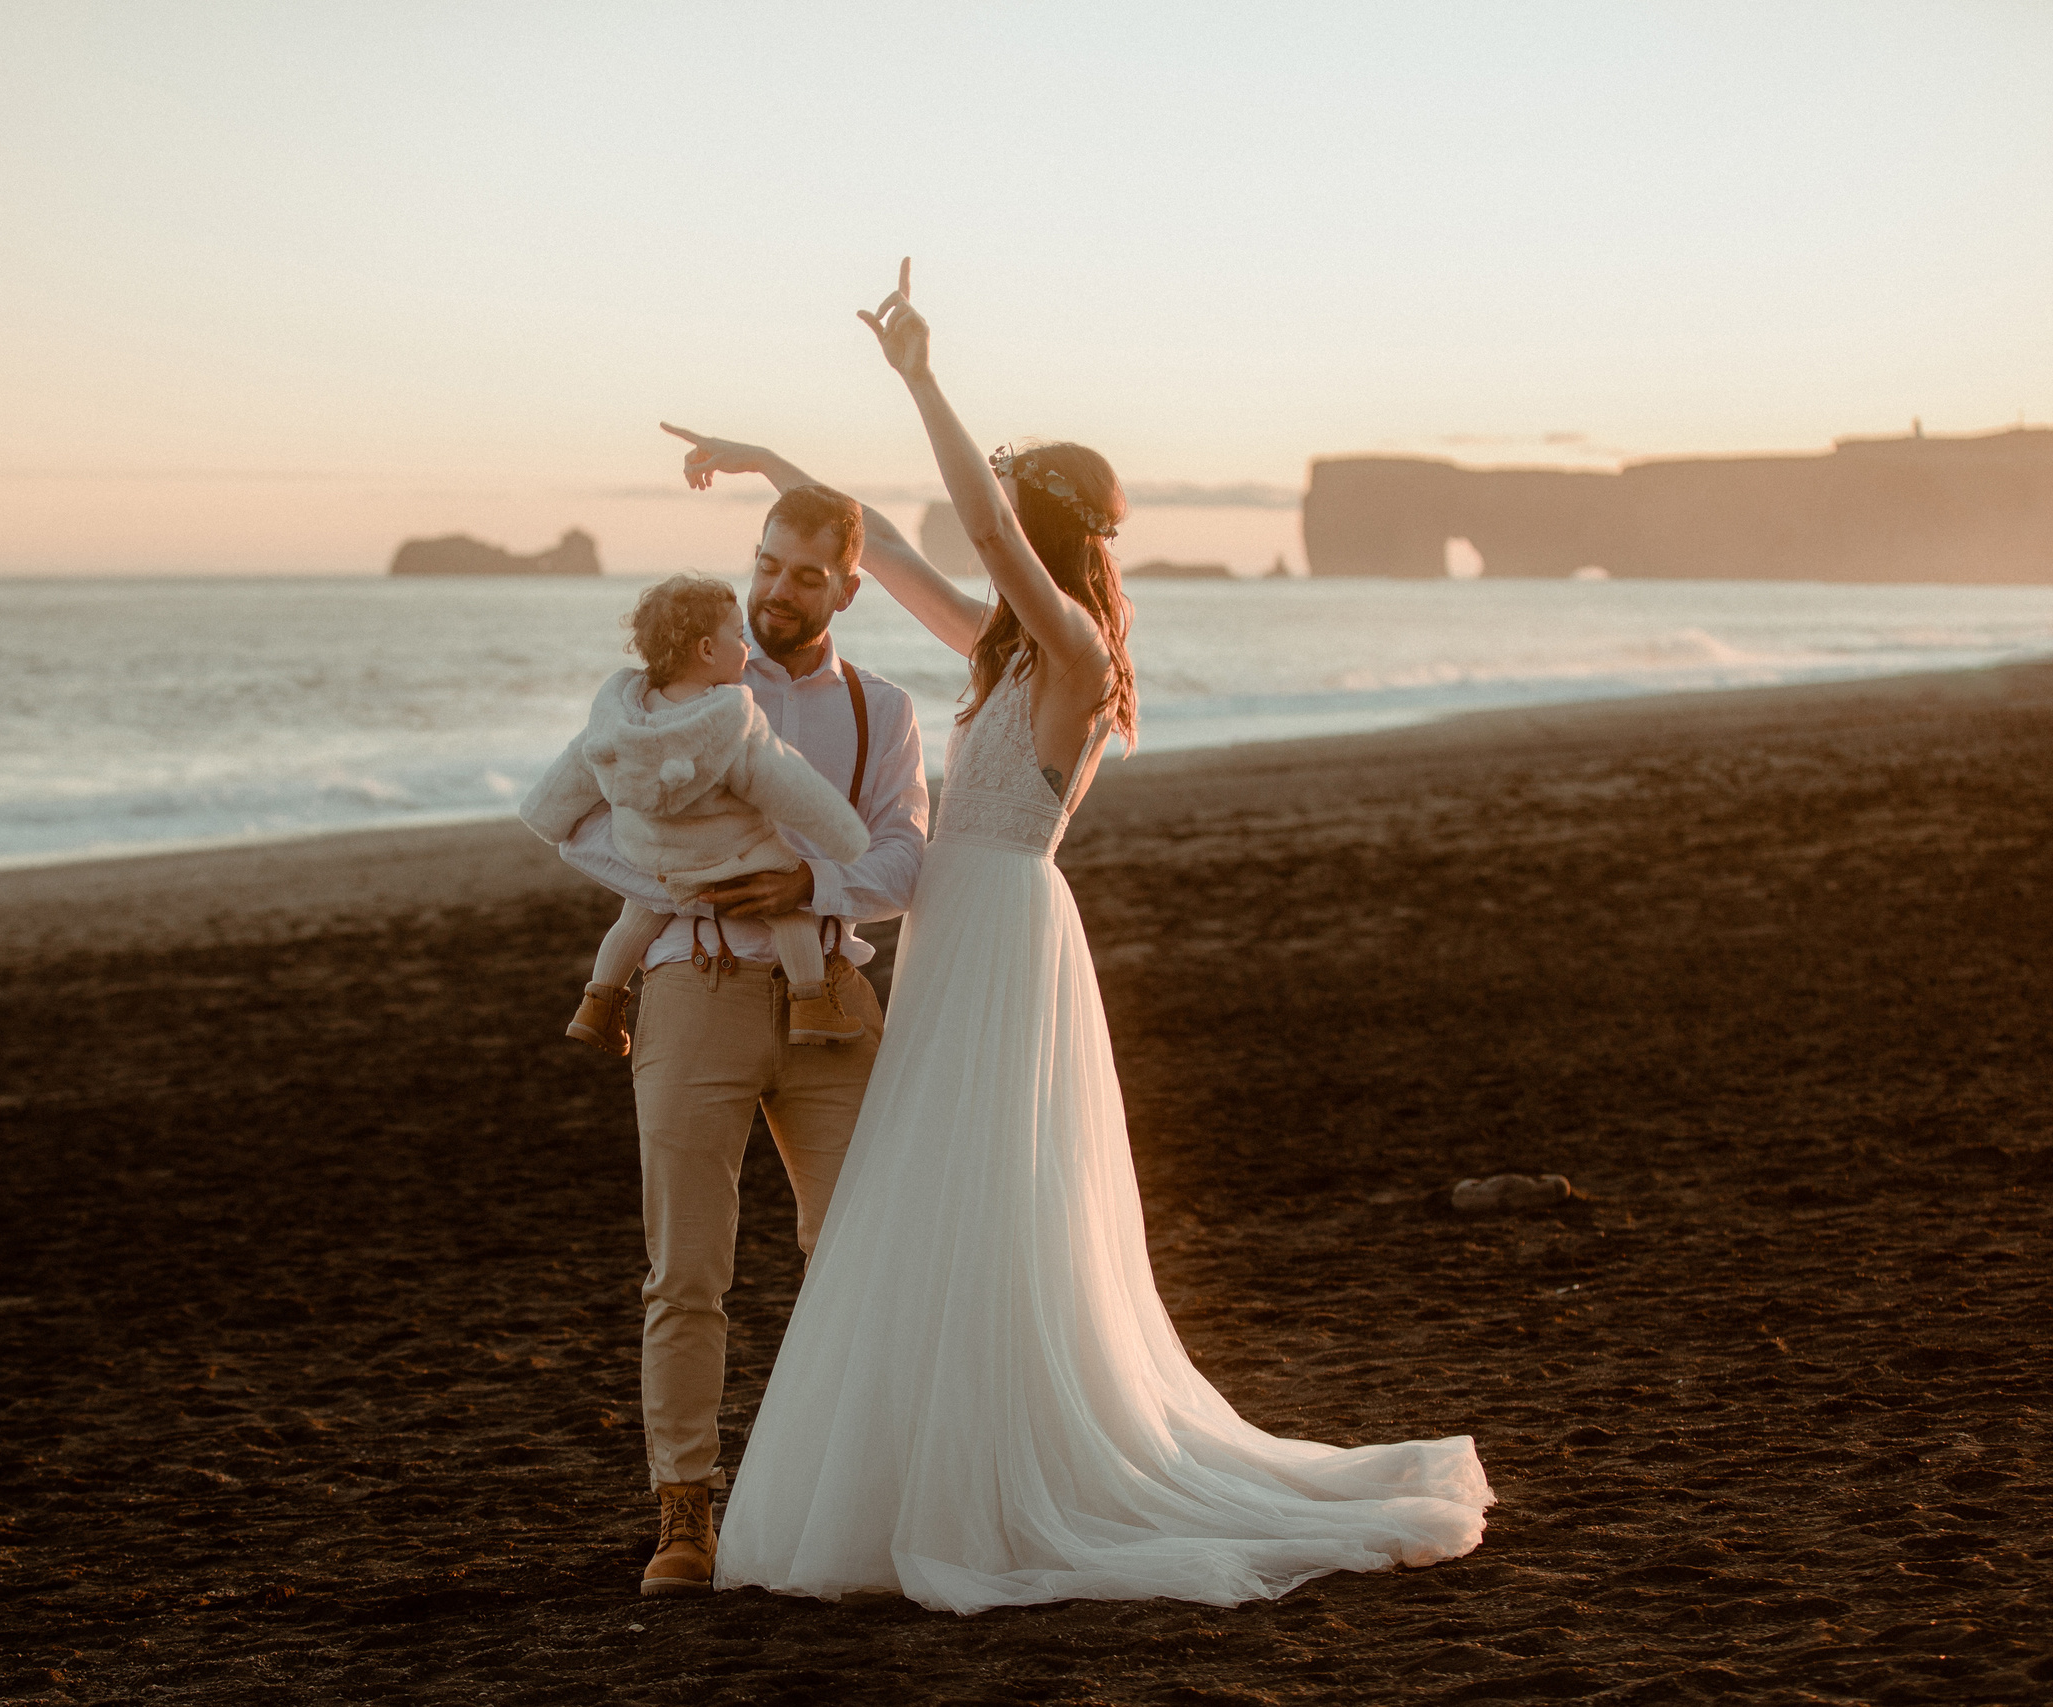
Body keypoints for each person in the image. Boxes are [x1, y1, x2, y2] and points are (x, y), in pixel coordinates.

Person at [702, 262, 1496, 1613]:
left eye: (1011, 514)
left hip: (1006, 926)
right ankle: (926, 1465)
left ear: (1041, 527)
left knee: (981, 1193)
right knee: (940, 1193)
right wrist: (781, 463)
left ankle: (1002, 1475)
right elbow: (890, 546)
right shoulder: (1009, 650)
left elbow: (970, 527)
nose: (991, 531)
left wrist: (918, 374)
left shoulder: (1069, 646)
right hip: (963, 923)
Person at [549, 483, 929, 1596]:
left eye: (805, 573)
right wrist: (687, 886)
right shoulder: (669, 690)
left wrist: (806, 884)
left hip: (832, 1005)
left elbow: (904, 861)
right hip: (690, 986)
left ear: (847, 588)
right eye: (766, 563)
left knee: (859, 1256)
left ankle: (849, 1494)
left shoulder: (885, 709)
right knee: (686, 1275)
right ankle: (684, 1513)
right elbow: (570, 821)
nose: (775, 588)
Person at [519, 573, 872, 1050]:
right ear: (708, 651)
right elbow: (790, 784)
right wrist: (846, 839)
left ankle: (599, 1002)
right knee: (790, 913)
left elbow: (573, 775)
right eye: (738, 636)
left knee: (637, 915)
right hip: (732, 860)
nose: (747, 647)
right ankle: (811, 1005)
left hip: (653, 858)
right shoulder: (729, 722)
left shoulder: (620, 716)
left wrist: (544, 815)